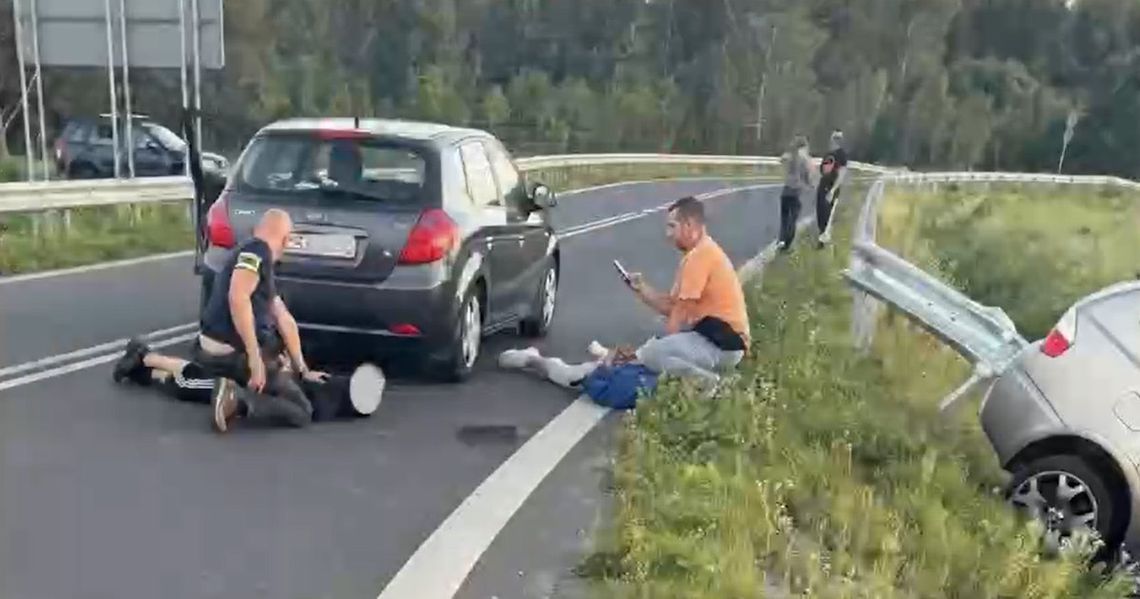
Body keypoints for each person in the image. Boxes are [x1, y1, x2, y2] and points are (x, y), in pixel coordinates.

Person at [193, 208, 327, 433]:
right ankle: (239, 400)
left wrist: (302, 368)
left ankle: (234, 389)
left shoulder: (249, 254)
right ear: (286, 240)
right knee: (302, 411)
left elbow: (284, 319)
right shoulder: (257, 251)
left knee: (280, 358)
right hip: (230, 353)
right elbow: (238, 297)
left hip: (209, 347)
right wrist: (255, 360)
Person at [623, 196, 750, 385]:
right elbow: (673, 306)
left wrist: (662, 348)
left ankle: (711, 384)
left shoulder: (701, 256)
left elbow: (680, 314)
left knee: (653, 353)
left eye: (672, 226)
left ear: (689, 225)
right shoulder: (698, 253)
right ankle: (710, 379)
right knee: (655, 351)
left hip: (723, 344)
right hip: (717, 340)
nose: (667, 234)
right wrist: (642, 289)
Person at [111, 337, 385, 421]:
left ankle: (143, 366)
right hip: (264, 382)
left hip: (267, 382)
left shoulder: (341, 390)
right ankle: (145, 359)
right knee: (194, 383)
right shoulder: (337, 394)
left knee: (198, 379)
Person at [777, 135, 814, 252]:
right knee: (793, 219)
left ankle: (781, 240)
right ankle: (787, 245)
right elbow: (807, 175)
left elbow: (782, 159)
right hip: (796, 191)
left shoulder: (790, 156)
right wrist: (809, 185)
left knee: (784, 219)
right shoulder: (804, 160)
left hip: (786, 190)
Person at [815, 129, 849, 247]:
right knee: (820, 214)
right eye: (834, 137)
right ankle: (821, 236)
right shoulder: (828, 154)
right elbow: (822, 171)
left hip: (831, 188)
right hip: (822, 186)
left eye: (838, 138)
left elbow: (841, 174)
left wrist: (833, 190)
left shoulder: (842, 155)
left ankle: (823, 241)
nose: (836, 140)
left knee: (828, 215)